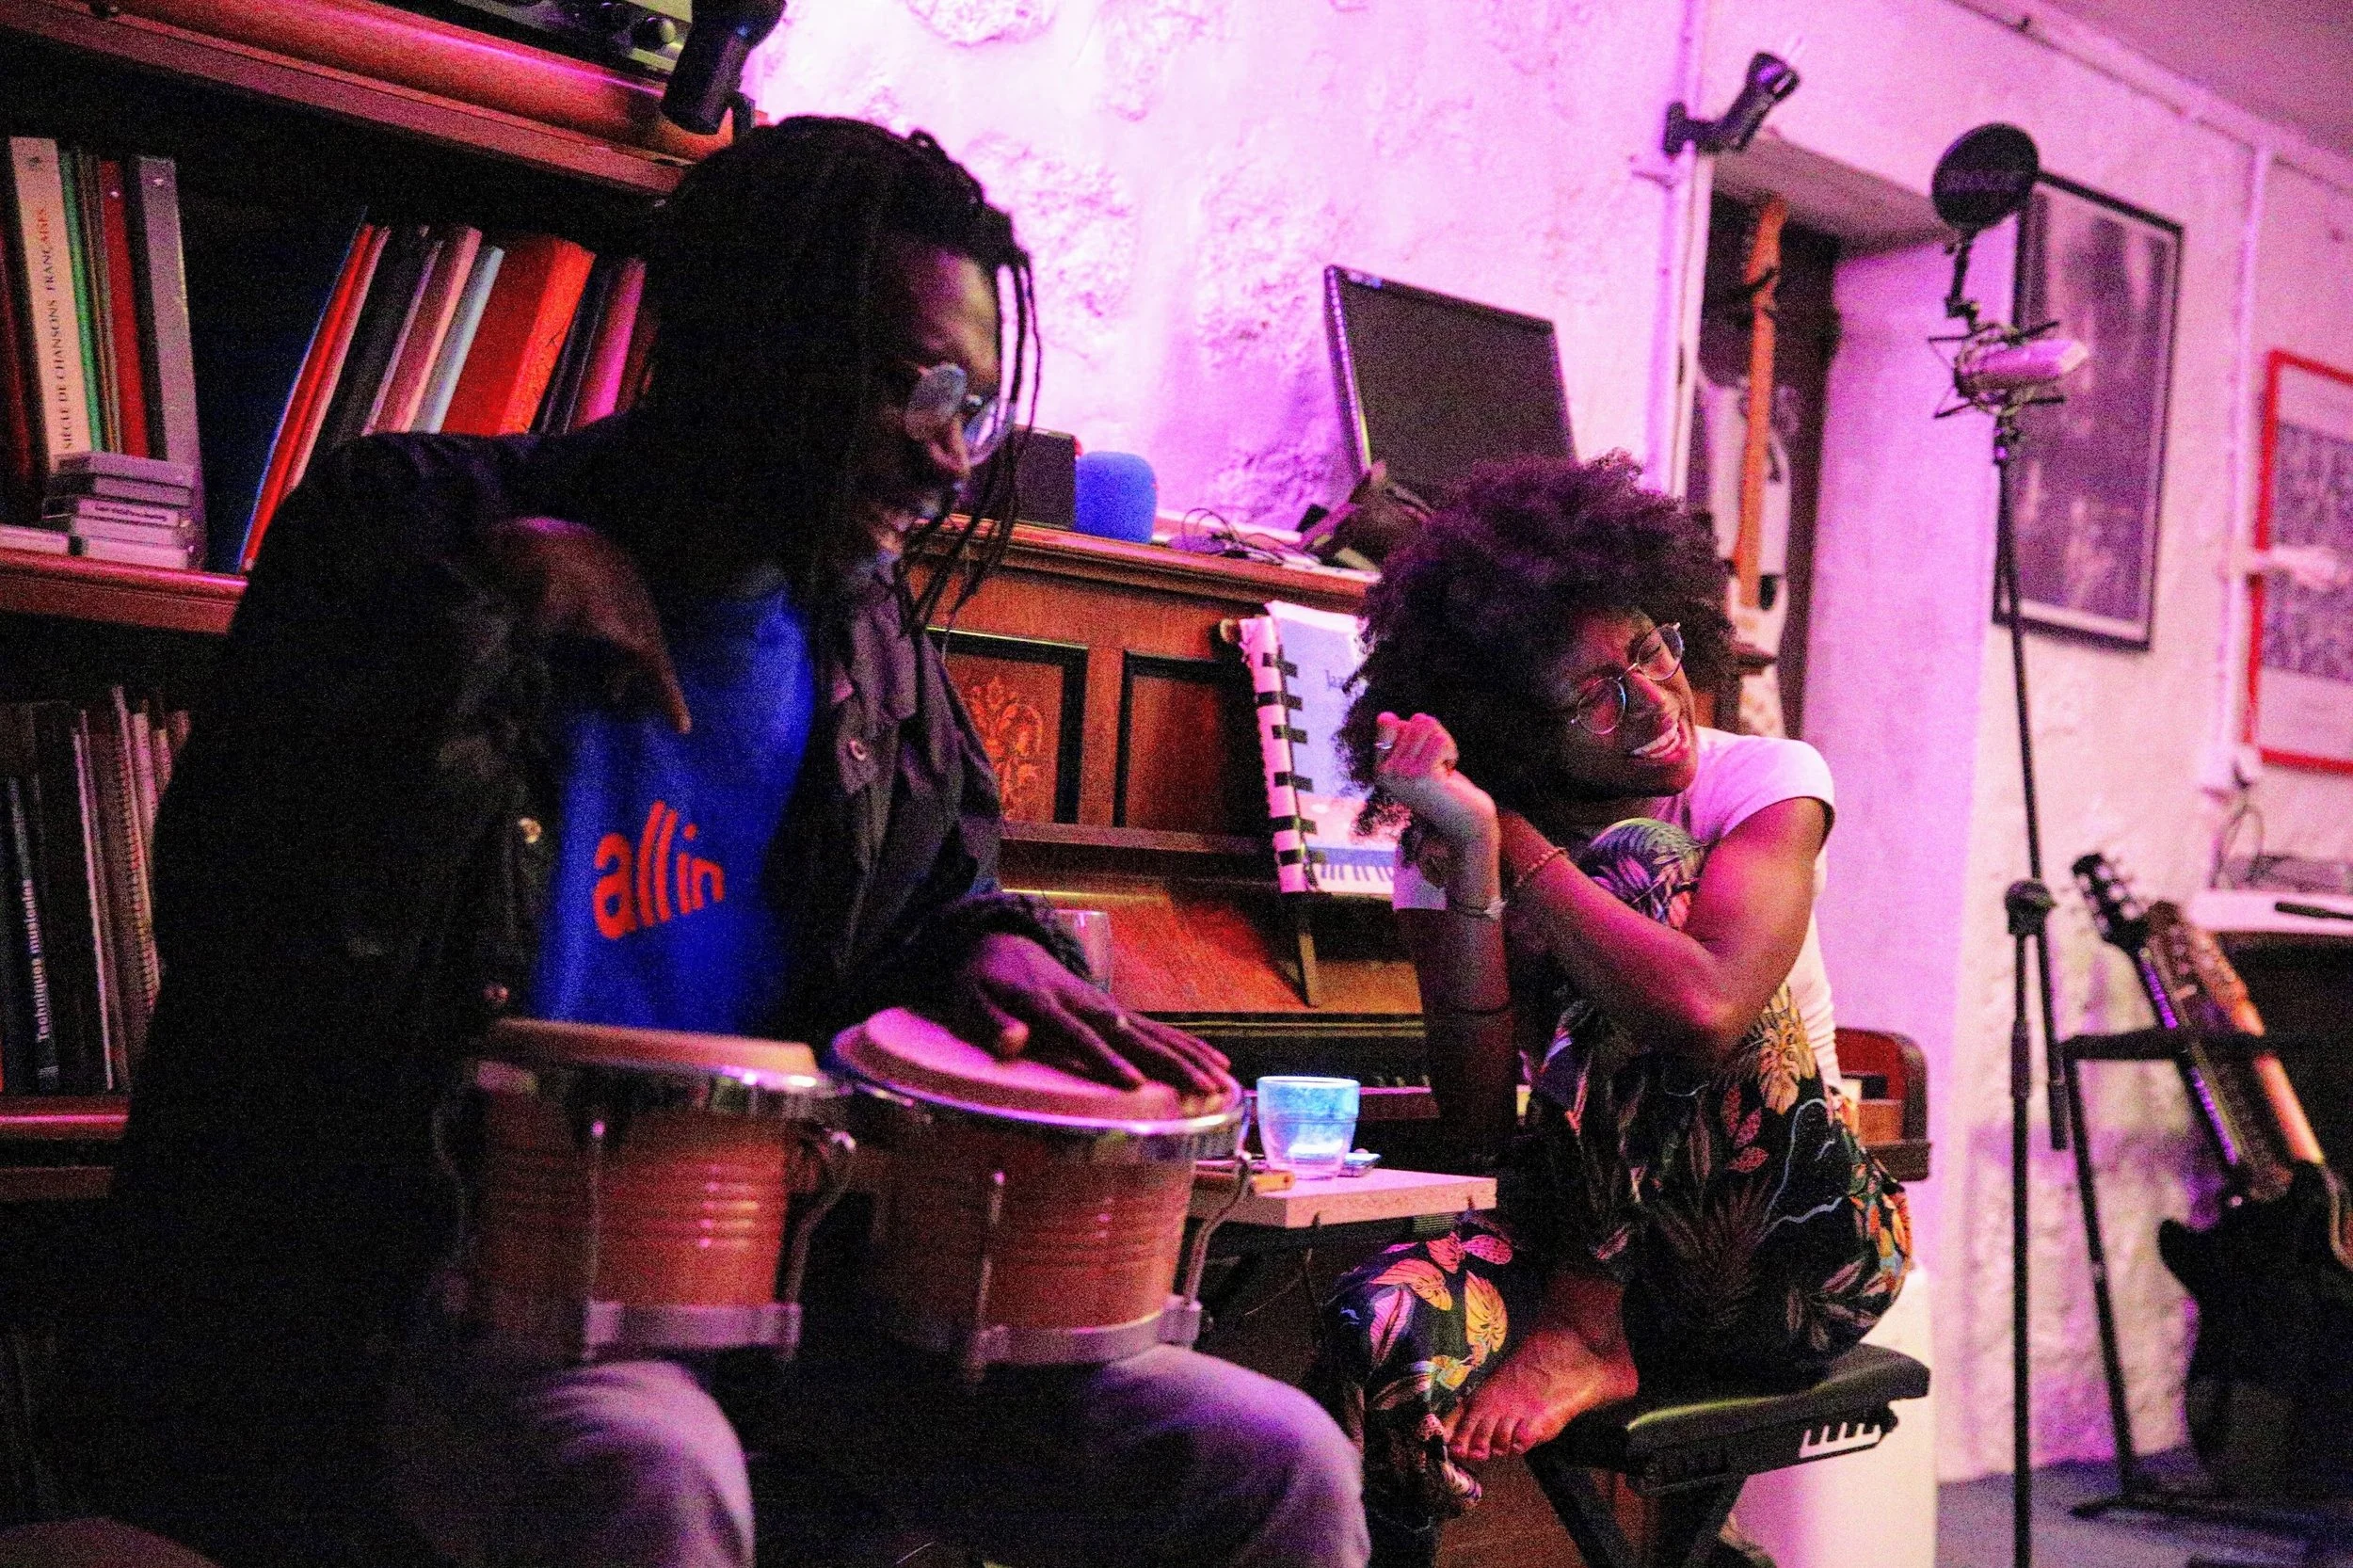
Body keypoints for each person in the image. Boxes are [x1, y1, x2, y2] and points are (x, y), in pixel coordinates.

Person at [83, 118, 1365, 1568]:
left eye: (972, 399)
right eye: (905, 384)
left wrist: (989, 945)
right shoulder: (412, 528)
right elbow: (250, 921)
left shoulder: (862, 634)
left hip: (796, 1298)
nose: (949, 450)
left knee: (1278, 1467)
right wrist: (481, 621)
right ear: (746, 340)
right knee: (651, 1464)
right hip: (450, 1285)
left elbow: (929, 893)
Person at [1305, 454, 1910, 1567]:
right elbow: (1484, 1121)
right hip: (1605, 1240)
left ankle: (1586, 1326)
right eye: (1592, 693)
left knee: (1638, 868)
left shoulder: (1762, 778)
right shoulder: (1455, 843)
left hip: (1795, 1254)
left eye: (1648, 651)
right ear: (1514, 731)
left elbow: (1707, 1006)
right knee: (1374, 1325)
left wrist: (1524, 846)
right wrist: (1475, 856)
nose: (1651, 704)